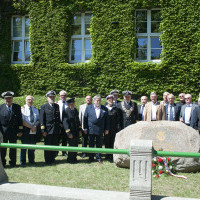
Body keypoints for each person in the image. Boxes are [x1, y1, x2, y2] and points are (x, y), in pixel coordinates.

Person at [83, 95, 109, 163]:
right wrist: (85, 128)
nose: (98, 101)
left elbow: (107, 120)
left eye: (99, 100)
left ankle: (98, 157)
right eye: (97, 100)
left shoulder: (104, 108)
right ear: (94, 101)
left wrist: (107, 129)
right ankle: (91, 157)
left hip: (100, 129)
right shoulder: (88, 108)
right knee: (91, 144)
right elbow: (85, 119)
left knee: (99, 144)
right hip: (91, 128)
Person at [0, 91, 23, 167]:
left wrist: (20, 130)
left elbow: (20, 120)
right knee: (3, 149)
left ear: (12, 98)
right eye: (6, 98)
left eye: (9, 98)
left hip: (13, 131)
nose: (8, 100)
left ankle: (13, 162)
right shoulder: (0, 107)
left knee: (13, 148)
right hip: (3, 132)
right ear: (4, 99)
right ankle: (2, 163)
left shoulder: (17, 107)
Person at [40, 91, 61, 165]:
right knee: (48, 145)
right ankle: (48, 160)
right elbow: (42, 119)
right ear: (47, 98)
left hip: (56, 129)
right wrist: (43, 130)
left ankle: (53, 159)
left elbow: (58, 119)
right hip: (48, 130)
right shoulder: (44, 106)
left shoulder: (57, 106)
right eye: (50, 97)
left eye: (53, 97)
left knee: (54, 145)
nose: (52, 98)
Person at [20, 95, 40, 165]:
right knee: (24, 146)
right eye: (28, 99)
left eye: (31, 99)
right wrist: (31, 127)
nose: (30, 101)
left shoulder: (36, 109)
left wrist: (35, 126)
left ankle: (31, 161)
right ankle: (23, 161)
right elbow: (22, 121)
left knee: (32, 145)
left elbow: (38, 120)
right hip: (25, 129)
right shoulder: (22, 109)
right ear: (25, 100)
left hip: (33, 129)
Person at [63, 98, 82, 164]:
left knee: (76, 145)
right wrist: (68, 132)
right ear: (68, 104)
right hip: (70, 132)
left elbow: (78, 120)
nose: (72, 105)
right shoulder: (66, 111)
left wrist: (80, 129)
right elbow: (65, 122)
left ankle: (74, 158)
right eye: (71, 104)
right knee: (71, 145)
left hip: (76, 131)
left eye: (73, 103)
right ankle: (70, 159)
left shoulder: (75, 110)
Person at [104, 95, 121, 160]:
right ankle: (107, 154)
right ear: (107, 100)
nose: (111, 101)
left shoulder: (117, 109)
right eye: (109, 100)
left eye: (112, 100)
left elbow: (118, 120)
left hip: (114, 128)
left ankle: (112, 155)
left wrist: (118, 128)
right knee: (106, 141)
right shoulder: (104, 109)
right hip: (106, 128)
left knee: (112, 141)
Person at [57, 90, 68, 156]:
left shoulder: (68, 104)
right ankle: (56, 152)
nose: (63, 97)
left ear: (66, 96)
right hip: (59, 123)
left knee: (65, 139)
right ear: (59, 96)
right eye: (62, 95)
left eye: (64, 95)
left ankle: (64, 152)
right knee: (57, 139)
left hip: (66, 124)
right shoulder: (57, 103)